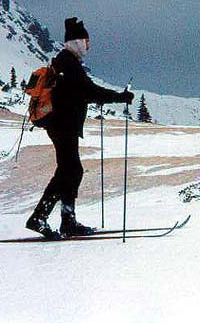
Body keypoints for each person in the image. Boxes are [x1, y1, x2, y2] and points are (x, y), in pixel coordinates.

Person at [26, 17, 134, 239]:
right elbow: (89, 91)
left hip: (62, 124)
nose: (88, 45)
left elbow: (82, 92)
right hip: (63, 124)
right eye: (86, 40)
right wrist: (119, 97)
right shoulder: (69, 64)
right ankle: (43, 218)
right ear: (76, 42)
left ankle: (66, 220)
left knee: (69, 170)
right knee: (70, 170)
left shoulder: (64, 62)